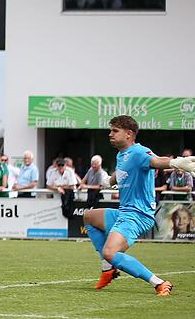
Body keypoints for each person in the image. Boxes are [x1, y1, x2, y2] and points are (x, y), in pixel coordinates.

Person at [83, 115, 195, 296]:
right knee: (89, 216)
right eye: (110, 130)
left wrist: (175, 162)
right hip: (124, 212)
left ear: (128, 134)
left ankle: (159, 283)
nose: (110, 134)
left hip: (138, 215)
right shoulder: (122, 154)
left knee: (110, 252)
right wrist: (108, 180)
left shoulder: (139, 152)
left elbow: (156, 161)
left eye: (114, 131)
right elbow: (119, 175)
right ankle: (108, 267)